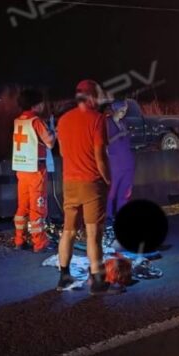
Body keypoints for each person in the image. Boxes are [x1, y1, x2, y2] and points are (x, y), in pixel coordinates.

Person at [55, 80, 113, 294]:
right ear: (90, 97)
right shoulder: (97, 120)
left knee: (68, 231)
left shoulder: (63, 121)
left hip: (69, 182)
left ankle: (63, 277)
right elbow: (100, 157)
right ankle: (97, 281)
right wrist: (108, 179)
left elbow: (61, 153)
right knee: (93, 233)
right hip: (91, 183)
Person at [11, 88, 56, 251]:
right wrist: (53, 129)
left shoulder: (18, 120)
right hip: (36, 169)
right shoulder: (36, 121)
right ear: (35, 104)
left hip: (21, 169)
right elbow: (50, 142)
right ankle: (40, 243)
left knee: (22, 206)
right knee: (38, 207)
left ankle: (19, 240)